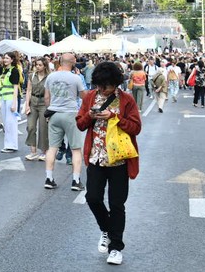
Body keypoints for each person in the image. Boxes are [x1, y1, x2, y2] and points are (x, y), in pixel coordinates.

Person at [76, 61, 141, 266]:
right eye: (100, 86)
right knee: (92, 198)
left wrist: (114, 117)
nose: (103, 90)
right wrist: (90, 115)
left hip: (119, 160)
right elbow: (80, 124)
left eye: (107, 86)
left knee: (117, 205)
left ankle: (116, 248)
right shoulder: (89, 97)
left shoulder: (126, 99)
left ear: (115, 83)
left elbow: (136, 127)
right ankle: (106, 229)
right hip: (96, 157)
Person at [43, 52, 86, 191]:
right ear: (73, 62)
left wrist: (49, 110)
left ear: (60, 61)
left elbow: (46, 97)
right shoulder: (76, 78)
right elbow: (84, 96)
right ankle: (76, 181)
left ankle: (49, 178)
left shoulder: (51, 76)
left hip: (54, 113)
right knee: (76, 149)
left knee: (52, 148)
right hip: (70, 113)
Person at [24, 58, 50, 161]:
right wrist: (27, 105)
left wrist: (50, 107)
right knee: (31, 127)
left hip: (44, 103)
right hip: (33, 102)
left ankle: (44, 152)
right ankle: (33, 152)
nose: (37, 67)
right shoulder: (32, 75)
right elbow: (28, 91)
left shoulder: (49, 77)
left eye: (40, 65)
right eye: (36, 65)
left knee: (43, 128)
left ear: (45, 66)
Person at [0, 52, 21, 153]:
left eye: (7, 58)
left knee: (11, 123)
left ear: (12, 60)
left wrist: (14, 103)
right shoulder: (3, 71)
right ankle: (8, 145)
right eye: (4, 58)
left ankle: (12, 145)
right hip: (3, 98)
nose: (5, 60)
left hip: (11, 98)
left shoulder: (14, 70)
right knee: (6, 123)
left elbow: (16, 88)